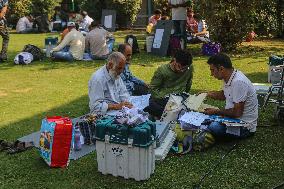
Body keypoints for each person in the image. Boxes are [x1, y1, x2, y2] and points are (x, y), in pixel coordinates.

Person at [204, 53, 258, 140]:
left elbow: (237, 113)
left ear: (221, 69)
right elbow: (223, 95)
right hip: (231, 119)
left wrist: (216, 111)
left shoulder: (238, 82)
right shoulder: (229, 76)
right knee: (204, 118)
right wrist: (207, 93)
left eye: (212, 70)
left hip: (244, 126)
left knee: (214, 127)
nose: (211, 74)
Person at [144, 49, 194, 118]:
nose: (181, 70)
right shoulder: (162, 70)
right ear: (174, 60)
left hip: (180, 96)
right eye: (179, 66)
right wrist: (165, 98)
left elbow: (189, 83)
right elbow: (153, 89)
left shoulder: (190, 68)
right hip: (164, 98)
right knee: (155, 105)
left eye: (185, 68)